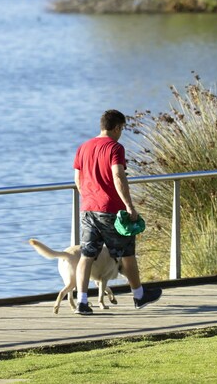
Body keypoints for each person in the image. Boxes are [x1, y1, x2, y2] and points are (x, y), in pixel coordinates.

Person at [73, 109, 161, 315]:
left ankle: (82, 302)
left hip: (88, 208)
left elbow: (77, 179)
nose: (122, 132)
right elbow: (118, 177)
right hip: (111, 209)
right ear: (117, 127)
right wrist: (129, 206)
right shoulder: (115, 147)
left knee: (87, 254)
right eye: (122, 128)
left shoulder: (83, 147)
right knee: (127, 253)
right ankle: (139, 295)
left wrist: (88, 196)